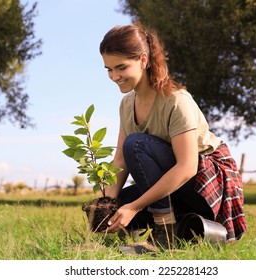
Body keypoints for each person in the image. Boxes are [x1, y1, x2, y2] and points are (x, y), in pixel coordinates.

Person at [99, 23, 247, 250]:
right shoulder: (126, 104)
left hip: (203, 185)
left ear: (143, 60)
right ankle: (182, 228)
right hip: (172, 186)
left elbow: (187, 167)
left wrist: (135, 207)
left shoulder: (176, 100)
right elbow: (119, 161)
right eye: (109, 69)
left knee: (136, 145)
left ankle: (165, 230)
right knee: (117, 206)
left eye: (121, 67)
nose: (114, 76)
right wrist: (106, 205)